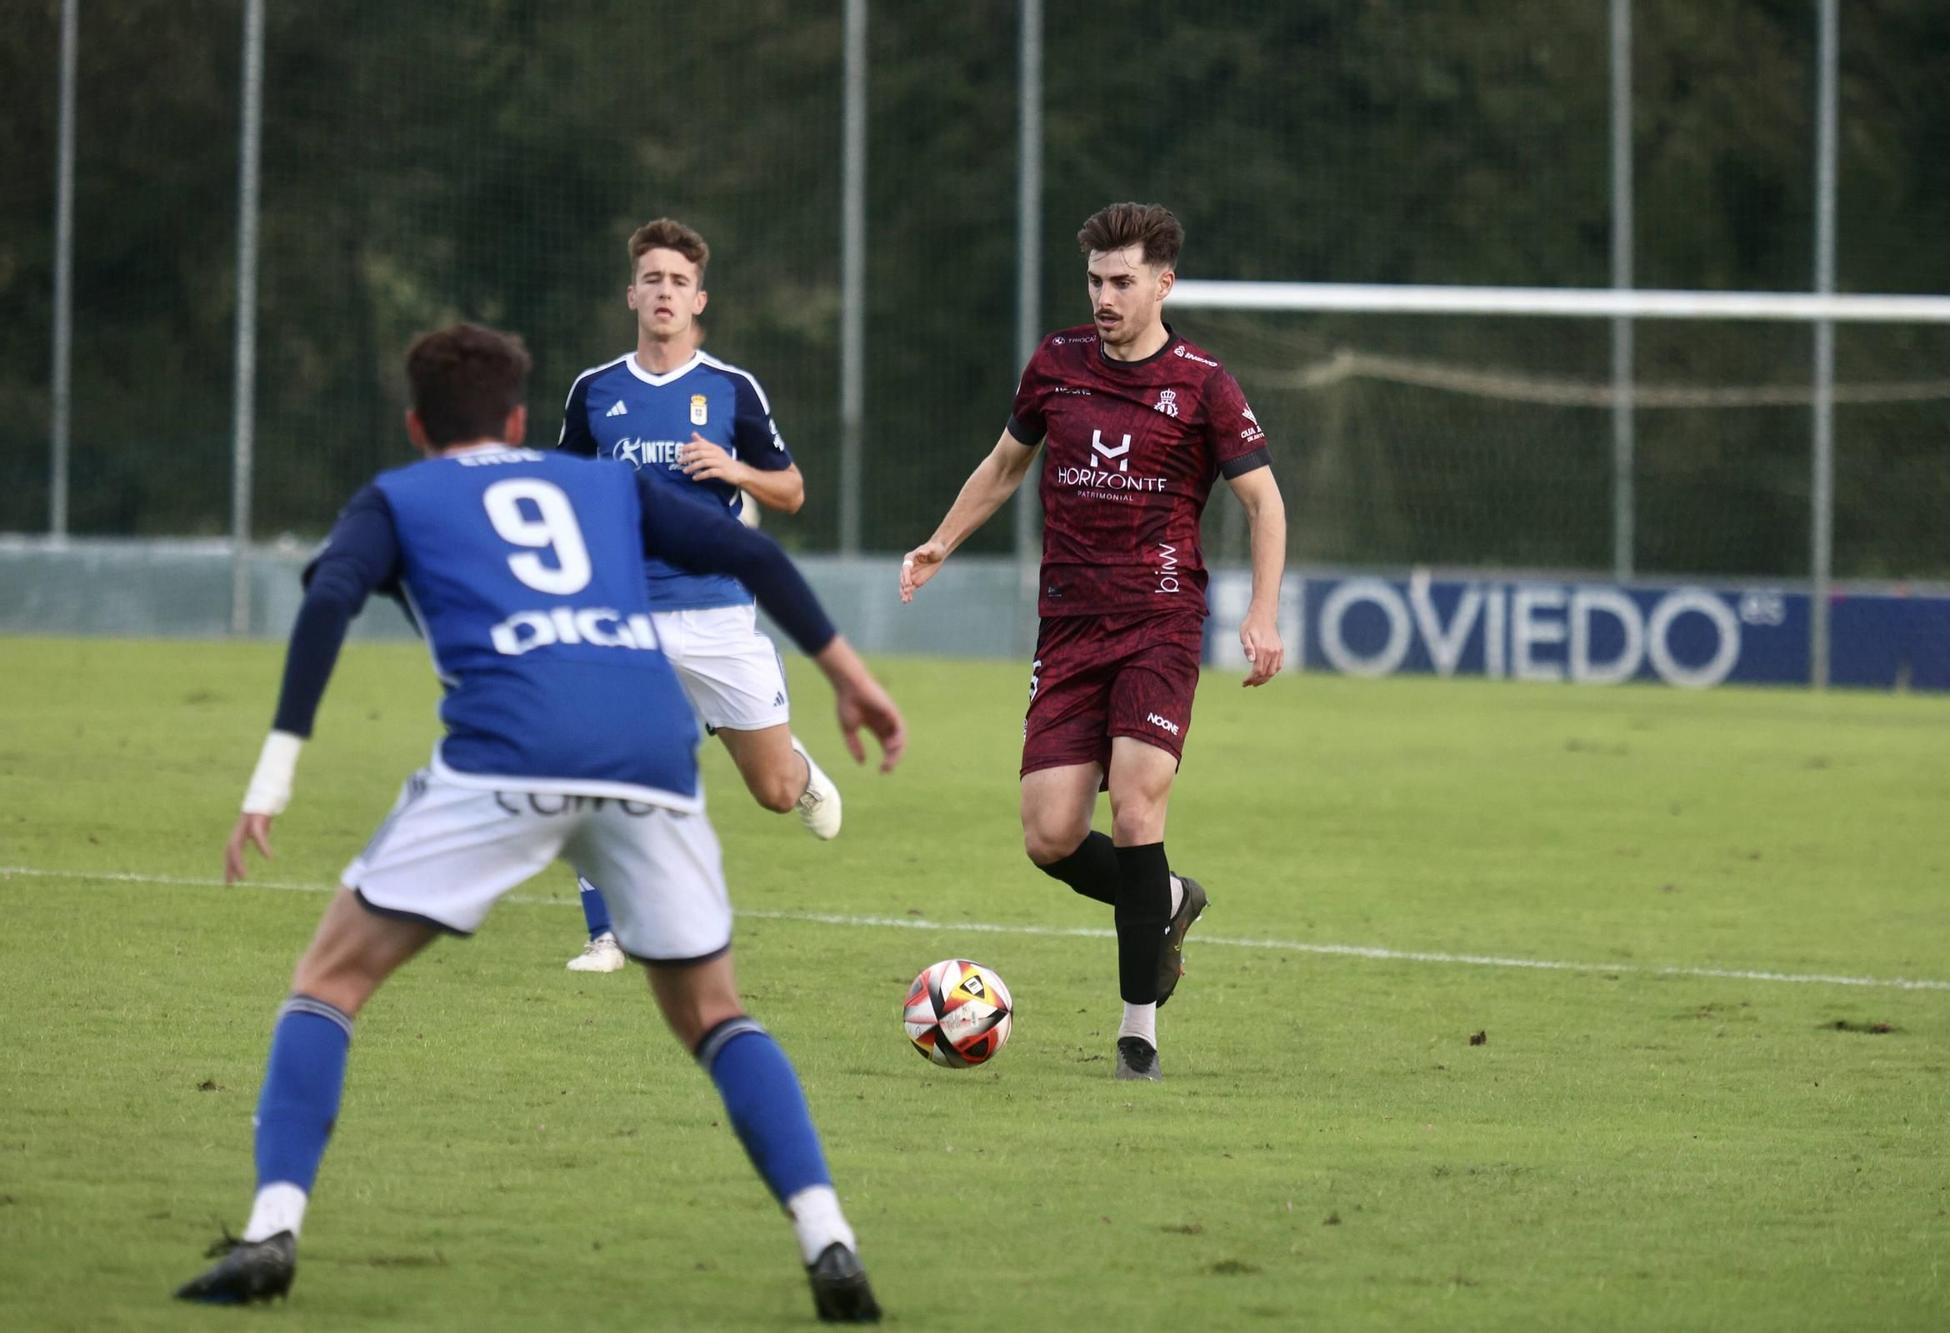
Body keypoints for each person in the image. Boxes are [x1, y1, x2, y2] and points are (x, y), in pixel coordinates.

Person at [175, 323, 897, 1322]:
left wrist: (274, 773)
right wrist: (849, 677)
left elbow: (331, 595)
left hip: (504, 754)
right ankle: (829, 1240)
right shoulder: (601, 486)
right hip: (648, 752)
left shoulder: (398, 495)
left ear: (417, 423)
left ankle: (269, 1232)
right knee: (714, 1013)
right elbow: (744, 548)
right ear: (520, 418)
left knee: (329, 981)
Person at [899, 202, 1286, 1083]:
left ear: (1162, 283)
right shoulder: (1056, 363)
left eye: (1122, 282)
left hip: (1159, 620)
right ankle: (1171, 897)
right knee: (1049, 834)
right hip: (1069, 624)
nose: (1105, 297)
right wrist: (939, 541)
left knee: (1138, 806)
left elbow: (1264, 502)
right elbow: (1004, 466)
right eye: (1095, 281)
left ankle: (1138, 1034)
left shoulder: (1202, 382)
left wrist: (1262, 612)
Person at [555, 216, 831, 975]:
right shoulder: (595, 391)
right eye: (653, 279)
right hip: (622, 611)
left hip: (715, 611)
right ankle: (607, 932)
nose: (665, 292)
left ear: (699, 298)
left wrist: (733, 470)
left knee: (773, 791)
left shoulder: (730, 390)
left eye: (679, 281)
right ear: (632, 293)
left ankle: (800, 770)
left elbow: (794, 490)